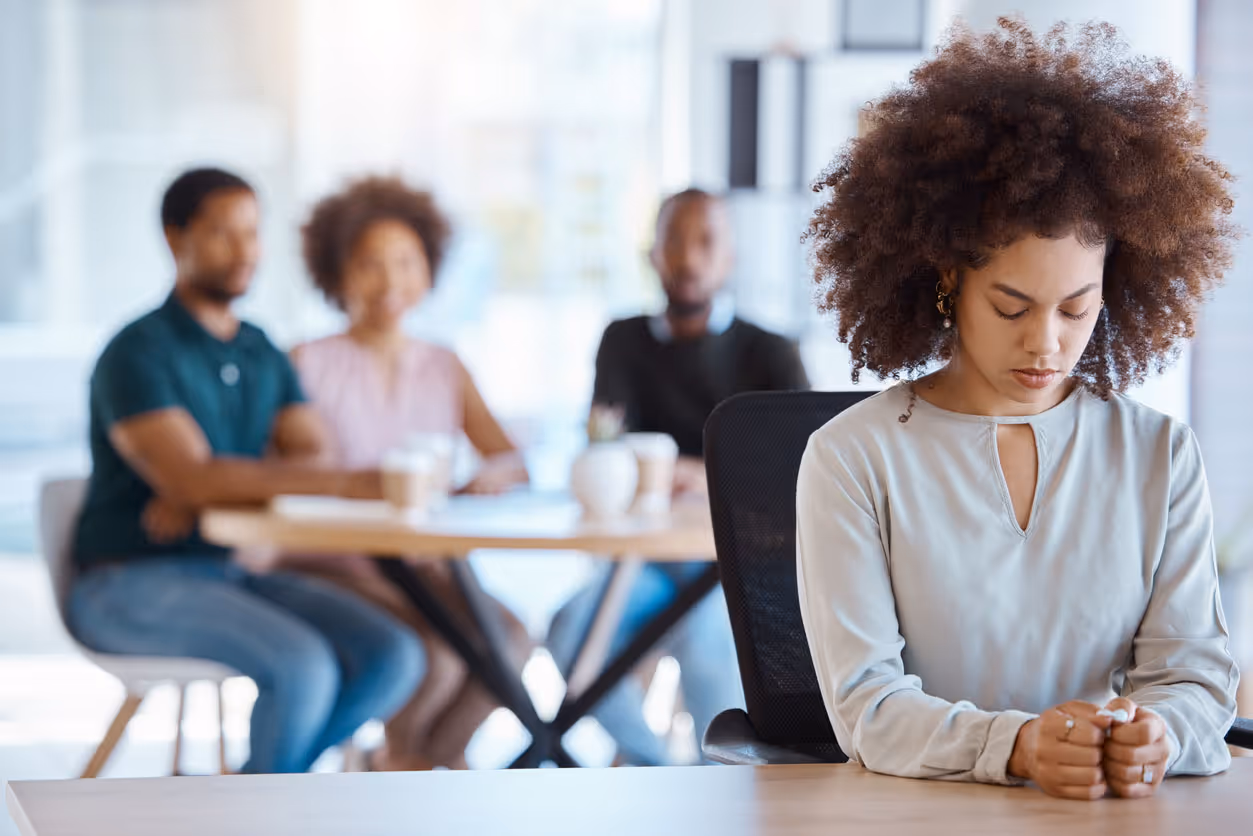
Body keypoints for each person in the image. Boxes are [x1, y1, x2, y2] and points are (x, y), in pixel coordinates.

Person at [797, 19, 1239, 801]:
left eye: (1076, 309)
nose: (1045, 343)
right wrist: (1017, 746)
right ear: (946, 283)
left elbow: (1194, 682)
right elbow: (867, 706)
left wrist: (1157, 736)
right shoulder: (851, 458)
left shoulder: (1158, 455)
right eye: (1010, 306)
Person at [68, 168, 425, 775]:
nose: (243, 251)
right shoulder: (138, 351)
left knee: (393, 653)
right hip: (126, 581)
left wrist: (217, 484)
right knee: (303, 666)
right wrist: (206, 483)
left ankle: (251, 796)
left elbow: (311, 453)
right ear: (174, 236)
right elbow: (211, 477)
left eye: (253, 233)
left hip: (226, 569)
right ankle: (258, 807)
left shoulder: (259, 348)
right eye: (220, 233)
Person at [548, 188, 810, 765]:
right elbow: (601, 443)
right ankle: (663, 773)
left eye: (706, 241)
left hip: (734, 568)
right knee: (567, 635)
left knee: (711, 645)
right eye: (674, 241)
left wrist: (690, 471)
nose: (689, 257)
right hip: (642, 560)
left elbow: (806, 466)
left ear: (730, 258)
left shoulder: (770, 352)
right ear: (652, 254)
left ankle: (717, 797)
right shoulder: (622, 339)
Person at [286, 176, 531, 771]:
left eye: (404, 261)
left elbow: (510, 458)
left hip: (427, 562)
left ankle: (419, 763)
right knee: (439, 654)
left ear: (428, 270)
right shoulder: (305, 364)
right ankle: (406, 764)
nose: (389, 280)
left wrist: (490, 475)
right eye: (369, 264)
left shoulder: (445, 366)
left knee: (515, 642)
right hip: (336, 562)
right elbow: (284, 476)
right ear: (337, 274)